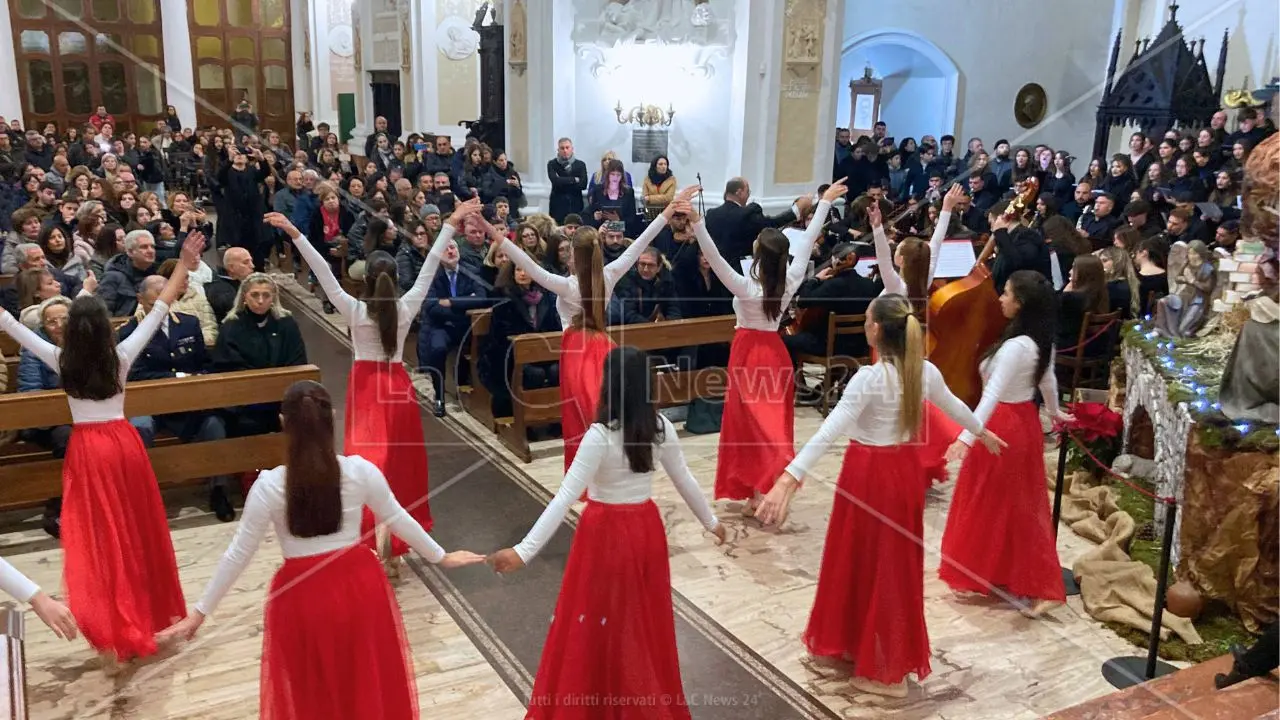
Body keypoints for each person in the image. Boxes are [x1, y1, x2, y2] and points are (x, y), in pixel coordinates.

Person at [157, 381, 485, 720]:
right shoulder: (360, 472)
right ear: (332, 420)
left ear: (284, 423)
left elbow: (238, 554)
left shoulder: (269, 486)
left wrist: (199, 612)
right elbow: (398, 516)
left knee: (312, 692)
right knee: (365, 681)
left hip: (301, 597)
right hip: (360, 587)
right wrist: (441, 556)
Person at [755, 294, 1004, 698]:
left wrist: (788, 478)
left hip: (868, 477)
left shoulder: (870, 379)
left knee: (869, 561)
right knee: (887, 563)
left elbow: (827, 431)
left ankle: (886, 673)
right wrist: (979, 430)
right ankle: (866, 645)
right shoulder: (923, 372)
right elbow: (956, 406)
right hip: (902, 475)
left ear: (874, 330)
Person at [0, 233, 205, 670]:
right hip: (123, 444)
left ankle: (119, 621)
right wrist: (185, 263)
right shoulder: (123, 355)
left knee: (105, 540)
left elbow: (12, 325)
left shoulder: (60, 358)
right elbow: (161, 307)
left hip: (88, 450)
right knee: (137, 532)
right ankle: (147, 615)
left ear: (73, 331)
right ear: (105, 329)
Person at [488, 347, 726, 716]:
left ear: (609, 387)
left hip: (603, 535)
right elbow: (686, 482)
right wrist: (711, 522)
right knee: (640, 622)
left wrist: (524, 550)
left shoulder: (599, 436)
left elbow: (565, 496)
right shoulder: (661, 428)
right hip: (645, 531)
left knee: (596, 622)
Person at [264, 200, 466, 572]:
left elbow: (322, 270)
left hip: (367, 388)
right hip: (398, 387)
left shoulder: (355, 310)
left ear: (366, 279)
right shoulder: (405, 307)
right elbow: (431, 263)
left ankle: (373, 537)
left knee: (367, 464)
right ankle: (398, 539)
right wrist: (450, 223)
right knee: (401, 467)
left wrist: (294, 233)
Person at [497, 187, 698, 472]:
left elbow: (526, 262)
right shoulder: (610, 274)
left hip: (576, 352)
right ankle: (618, 465)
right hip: (603, 346)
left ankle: (587, 471)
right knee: (607, 409)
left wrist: (493, 232)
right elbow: (642, 242)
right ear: (598, 249)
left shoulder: (567, 285)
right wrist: (668, 210)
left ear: (572, 255)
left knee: (581, 416)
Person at [688, 180, 846, 514]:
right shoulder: (789, 280)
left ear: (759, 255)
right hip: (775, 352)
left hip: (748, 353)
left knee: (748, 426)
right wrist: (825, 204)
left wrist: (699, 224)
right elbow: (804, 244)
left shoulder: (747, 287)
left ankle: (766, 482)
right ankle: (764, 485)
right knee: (771, 423)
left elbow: (714, 258)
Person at [940, 271, 1071, 618]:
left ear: (1021, 302)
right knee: (1012, 504)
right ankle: (1007, 573)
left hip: (1000, 427)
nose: (1000, 298)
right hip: (1022, 425)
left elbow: (992, 396)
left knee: (1001, 503)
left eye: (1007, 293)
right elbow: (1048, 382)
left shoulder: (1016, 347)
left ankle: (1041, 583)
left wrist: (967, 436)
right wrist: (1056, 413)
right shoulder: (1038, 341)